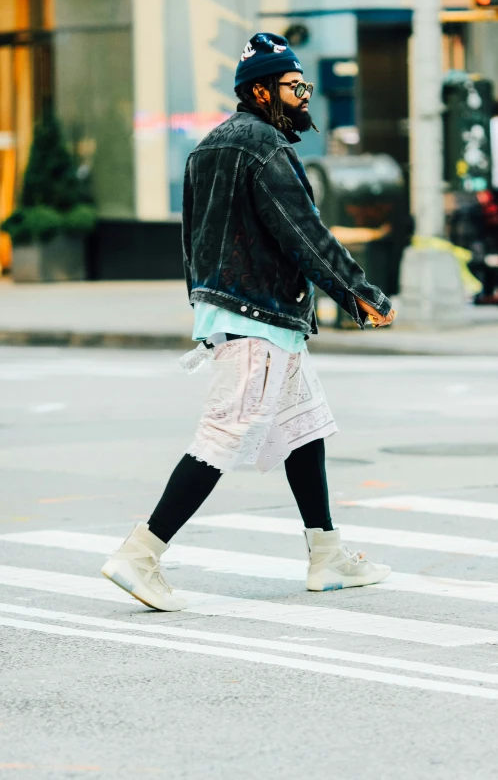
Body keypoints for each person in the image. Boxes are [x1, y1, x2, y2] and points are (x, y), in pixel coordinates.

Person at [101, 33, 396, 612]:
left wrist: (203, 303)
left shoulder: (207, 147)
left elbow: (192, 240)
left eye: (303, 86)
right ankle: (141, 553)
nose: (303, 97)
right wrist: (362, 295)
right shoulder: (263, 149)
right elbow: (304, 234)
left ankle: (326, 554)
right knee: (222, 436)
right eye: (293, 86)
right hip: (256, 315)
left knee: (304, 427)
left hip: (247, 313)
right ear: (260, 90)